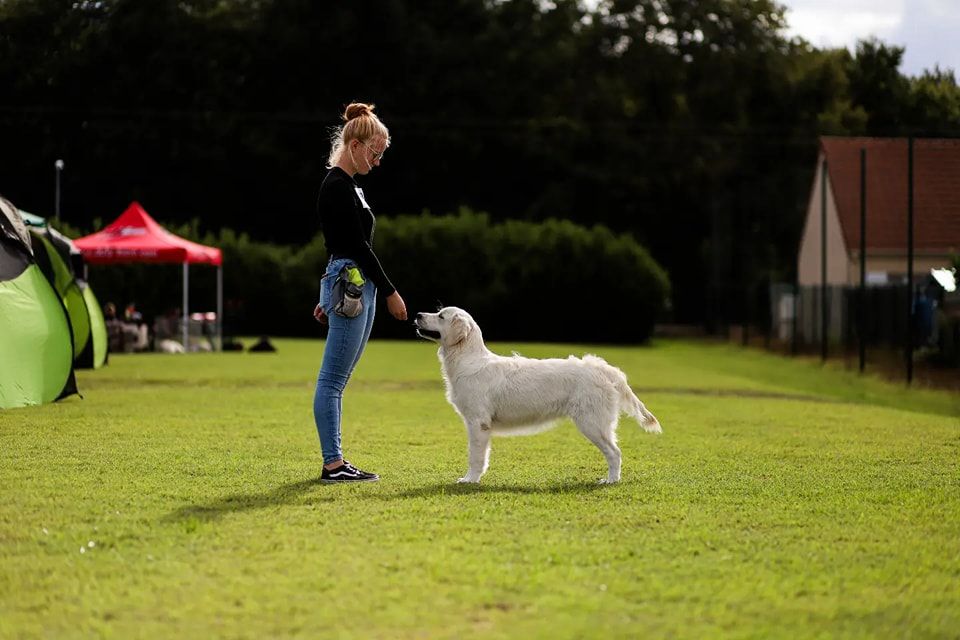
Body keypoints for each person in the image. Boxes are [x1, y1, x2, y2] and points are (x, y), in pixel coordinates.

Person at [312, 102, 408, 483]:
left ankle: (335, 461)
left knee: (339, 379)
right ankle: (332, 463)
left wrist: (325, 297)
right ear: (354, 145)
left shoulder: (351, 186)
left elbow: (340, 246)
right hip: (352, 282)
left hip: (352, 282)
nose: (378, 160)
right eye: (374, 152)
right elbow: (353, 246)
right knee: (332, 380)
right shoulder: (336, 185)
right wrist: (390, 291)